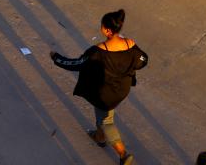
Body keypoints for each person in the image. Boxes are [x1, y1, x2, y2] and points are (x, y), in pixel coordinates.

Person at [49, 9, 148, 165]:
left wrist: (56, 58)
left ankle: (123, 155)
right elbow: (143, 60)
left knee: (106, 121)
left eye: (102, 26)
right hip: (123, 89)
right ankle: (100, 137)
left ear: (107, 30)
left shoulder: (98, 52)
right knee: (104, 115)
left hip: (105, 94)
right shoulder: (131, 45)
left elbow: (76, 64)